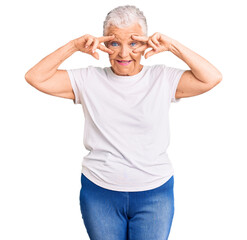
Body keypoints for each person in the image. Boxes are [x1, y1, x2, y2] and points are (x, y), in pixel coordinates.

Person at [25, 5, 222, 240]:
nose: (124, 54)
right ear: (104, 43)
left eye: (134, 43)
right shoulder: (88, 80)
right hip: (100, 193)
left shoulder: (162, 78)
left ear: (146, 43)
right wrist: (74, 46)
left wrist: (171, 46)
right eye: (115, 43)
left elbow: (212, 77)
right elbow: (35, 77)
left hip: (155, 193)